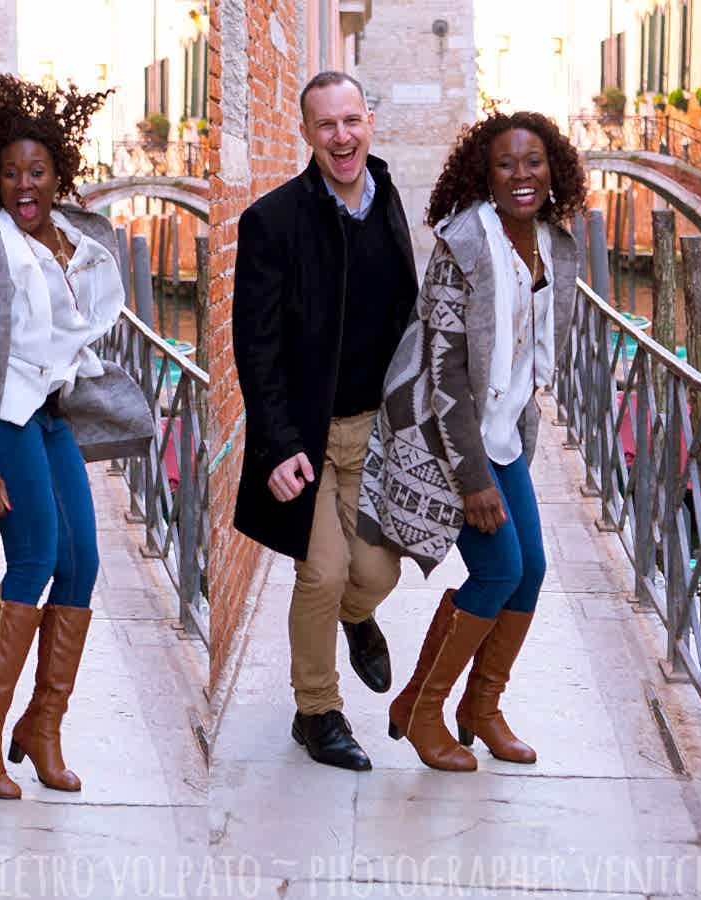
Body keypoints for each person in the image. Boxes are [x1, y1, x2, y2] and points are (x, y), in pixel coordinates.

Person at [0, 74, 149, 800]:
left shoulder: (78, 237)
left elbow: (86, 329)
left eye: (38, 171)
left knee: (81, 564)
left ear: (59, 174)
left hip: (52, 412)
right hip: (6, 418)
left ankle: (41, 726)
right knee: (35, 559)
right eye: (12, 172)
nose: (25, 184)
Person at [359, 111, 584, 771]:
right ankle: (422, 709)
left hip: (502, 432)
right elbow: (445, 373)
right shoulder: (464, 244)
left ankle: (479, 708)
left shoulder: (550, 241)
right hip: (445, 437)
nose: (523, 175)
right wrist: (474, 481)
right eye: (506, 164)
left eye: (534, 161)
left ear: (553, 169)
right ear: (483, 175)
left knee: (531, 569)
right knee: (497, 569)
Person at [231, 71, 419, 771]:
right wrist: (277, 444)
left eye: (351, 121)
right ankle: (317, 712)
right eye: (326, 126)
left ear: (369, 120)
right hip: (306, 437)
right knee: (322, 571)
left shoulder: (388, 197)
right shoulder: (271, 221)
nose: (342, 138)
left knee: (375, 571)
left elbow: (406, 310)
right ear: (306, 133)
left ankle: (355, 617)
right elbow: (256, 344)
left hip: (374, 429)